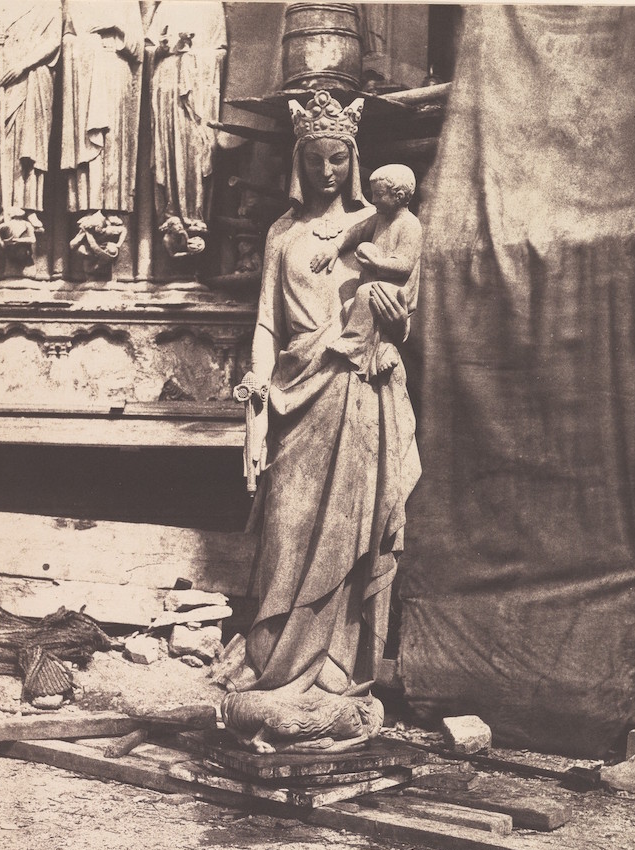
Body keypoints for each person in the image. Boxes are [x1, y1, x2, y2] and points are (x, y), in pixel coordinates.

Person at [224, 90, 421, 749]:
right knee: (287, 530)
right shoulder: (284, 236)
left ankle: (334, 676)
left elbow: (398, 308)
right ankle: (272, 664)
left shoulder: (382, 225)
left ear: (354, 160)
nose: (327, 171)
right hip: (293, 393)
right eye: (316, 160)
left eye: (339, 159)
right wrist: (255, 379)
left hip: (355, 391)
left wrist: (396, 327)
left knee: (349, 536)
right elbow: (264, 324)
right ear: (299, 162)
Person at [311, 163, 422, 381]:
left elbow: (405, 266)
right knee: (348, 307)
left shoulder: (410, 224)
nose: (374, 200)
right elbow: (356, 231)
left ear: (399, 196)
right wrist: (335, 247)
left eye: (379, 194)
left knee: (362, 295)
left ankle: (353, 343)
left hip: (397, 292)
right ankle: (379, 348)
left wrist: (377, 264)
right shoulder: (380, 218)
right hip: (378, 286)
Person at [145, 1, 227, 254]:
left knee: (197, 149)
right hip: (168, 86)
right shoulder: (166, 5)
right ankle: (171, 216)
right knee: (169, 150)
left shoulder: (212, 6)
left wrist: (193, 53)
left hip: (198, 92)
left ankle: (195, 217)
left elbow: (220, 52)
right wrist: (165, 47)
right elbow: (148, 49)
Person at [60, 2, 143, 216]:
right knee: (90, 143)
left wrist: (116, 27)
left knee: (114, 139)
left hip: (116, 69)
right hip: (86, 73)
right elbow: (67, 36)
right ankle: (89, 206)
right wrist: (87, 43)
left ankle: (113, 207)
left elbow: (138, 47)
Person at [0, 1, 61, 228]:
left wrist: (23, 64)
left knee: (32, 141)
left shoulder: (49, 4)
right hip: (3, 76)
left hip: (33, 75)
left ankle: (29, 206)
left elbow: (53, 40)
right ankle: (5, 205)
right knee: (5, 140)